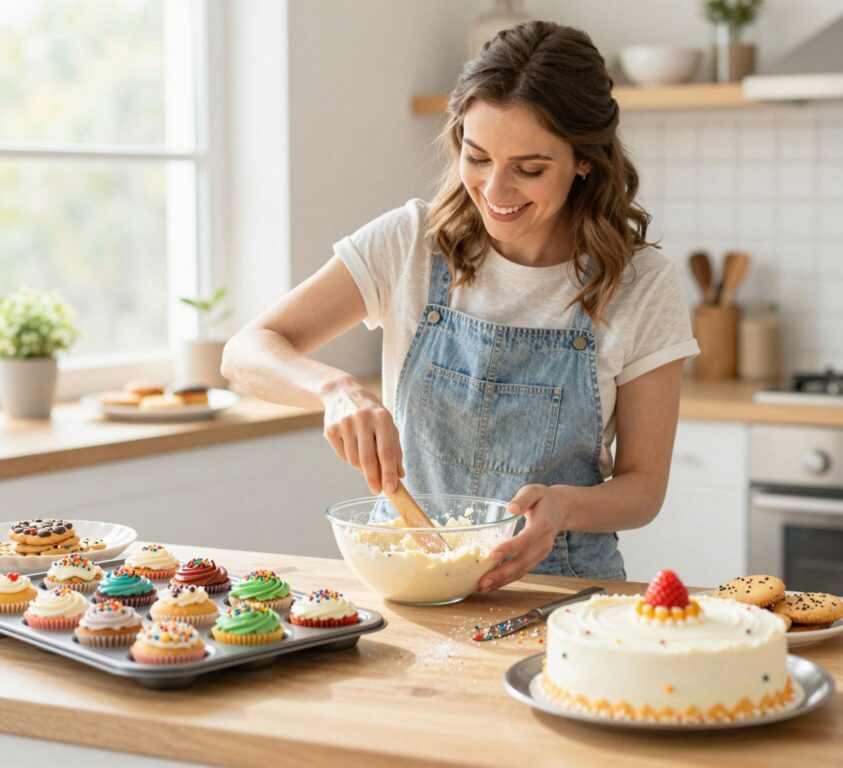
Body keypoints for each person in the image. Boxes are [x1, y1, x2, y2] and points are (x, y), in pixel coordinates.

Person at [221, 20, 699, 593]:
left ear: (584, 159)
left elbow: (643, 487)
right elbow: (245, 352)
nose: (495, 192)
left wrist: (564, 507)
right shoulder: (410, 243)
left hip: (560, 596)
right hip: (410, 582)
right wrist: (335, 390)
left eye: (529, 169)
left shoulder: (641, 284)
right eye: (478, 157)